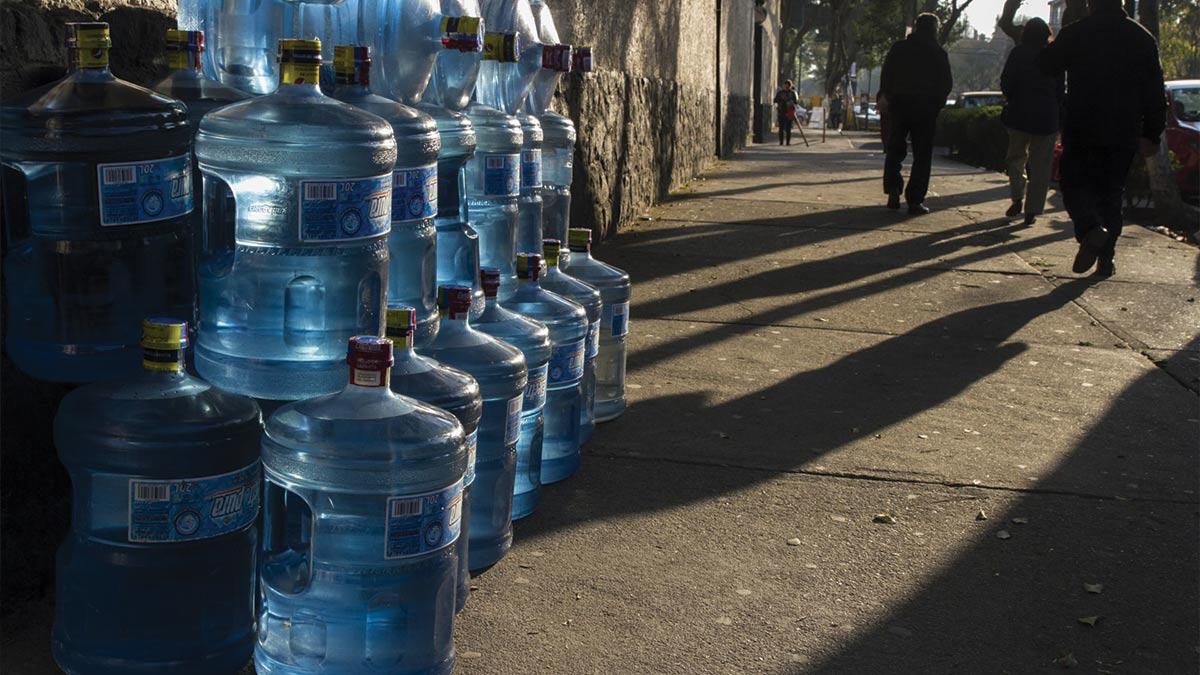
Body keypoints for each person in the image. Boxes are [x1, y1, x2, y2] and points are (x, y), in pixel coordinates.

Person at [1037, 0, 1166, 277]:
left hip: (1084, 124)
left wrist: (1052, 38)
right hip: (1124, 129)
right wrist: (1152, 132)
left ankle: (1091, 229)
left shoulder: (1077, 32)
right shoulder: (1141, 37)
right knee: (1111, 193)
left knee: (1072, 183)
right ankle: (1106, 260)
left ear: (1091, 4)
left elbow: (1046, 65)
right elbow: (1155, 90)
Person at [879, 13, 952, 215]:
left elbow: (886, 75)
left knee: (895, 148)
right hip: (926, 108)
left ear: (916, 28)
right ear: (934, 30)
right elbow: (946, 84)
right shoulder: (938, 53)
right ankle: (915, 200)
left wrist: (887, 96)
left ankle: (893, 188)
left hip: (900, 104)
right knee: (922, 154)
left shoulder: (899, 49)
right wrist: (936, 104)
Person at [1000, 17, 1063, 226]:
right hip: (1046, 118)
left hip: (1020, 114)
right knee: (1041, 166)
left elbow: (1006, 81)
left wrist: (1013, 98)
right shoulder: (1054, 57)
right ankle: (1032, 210)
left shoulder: (1018, 53)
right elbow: (1059, 91)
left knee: (1015, 158)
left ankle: (1017, 196)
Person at [774, 80, 799, 146]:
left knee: (788, 128)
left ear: (790, 86)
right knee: (781, 128)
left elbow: (796, 102)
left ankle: (787, 142)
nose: (786, 86)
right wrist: (781, 101)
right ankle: (781, 142)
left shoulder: (792, 93)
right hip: (781, 112)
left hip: (789, 112)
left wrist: (790, 102)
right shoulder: (780, 93)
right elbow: (775, 100)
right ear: (784, 85)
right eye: (785, 85)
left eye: (788, 85)